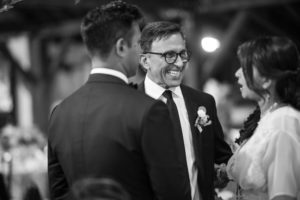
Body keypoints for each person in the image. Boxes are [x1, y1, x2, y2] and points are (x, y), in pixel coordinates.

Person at [48, 2, 189, 200]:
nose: (142, 51)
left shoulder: (60, 113)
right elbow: (173, 193)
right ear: (121, 47)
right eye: (139, 43)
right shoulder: (149, 110)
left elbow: (58, 192)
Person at [138, 21, 232, 200]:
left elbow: (221, 156)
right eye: (170, 55)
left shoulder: (203, 102)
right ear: (145, 61)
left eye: (182, 54)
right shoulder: (130, 103)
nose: (180, 63)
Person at [226, 36, 300, 200]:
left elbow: (283, 196)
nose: (237, 74)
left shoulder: (283, 123)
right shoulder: (268, 118)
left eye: (245, 69)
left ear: (266, 79)